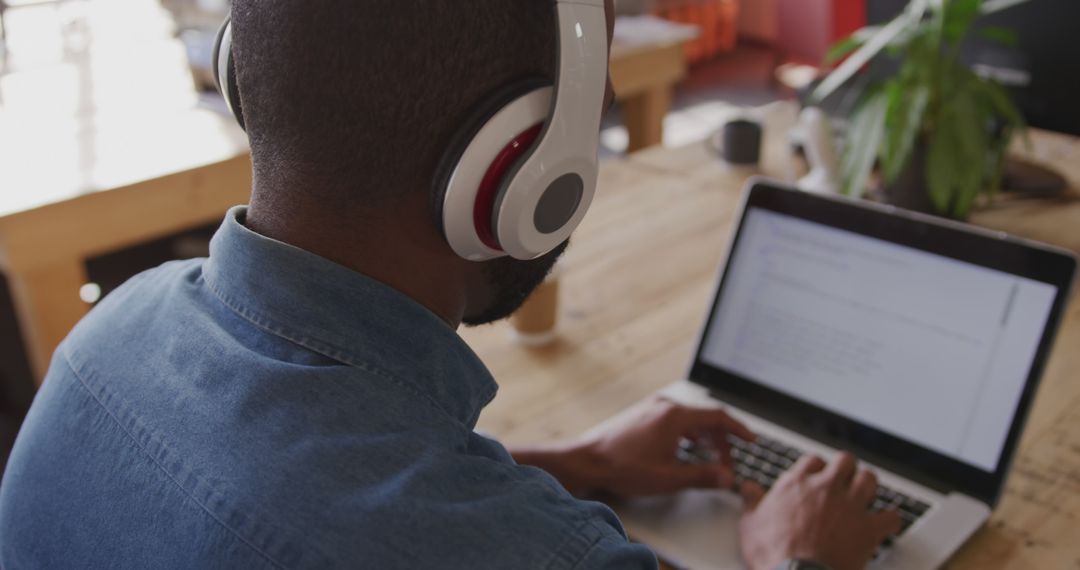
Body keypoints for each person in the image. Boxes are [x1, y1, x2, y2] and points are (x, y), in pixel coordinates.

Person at [0, 1, 900, 568]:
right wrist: (800, 558)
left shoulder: (103, 337)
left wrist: (577, 465)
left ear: (248, 78)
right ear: (519, 173)